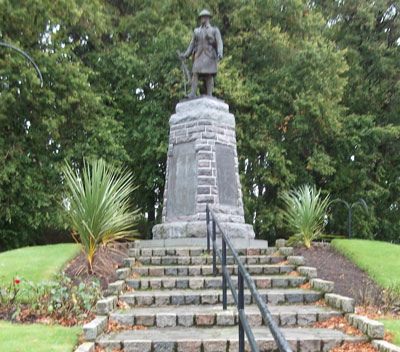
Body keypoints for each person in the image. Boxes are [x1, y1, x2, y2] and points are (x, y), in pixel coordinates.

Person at [181, 9, 223, 98]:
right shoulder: (197, 31)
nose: (202, 19)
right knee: (195, 73)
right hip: (199, 55)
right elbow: (192, 44)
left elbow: (219, 42)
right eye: (201, 17)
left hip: (210, 54)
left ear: (208, 18)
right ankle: (192, 93)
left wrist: (220, 52)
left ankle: (209, 94)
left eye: (204, 17)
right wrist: (186, 54)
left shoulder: (214, 30)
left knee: (209, 75)